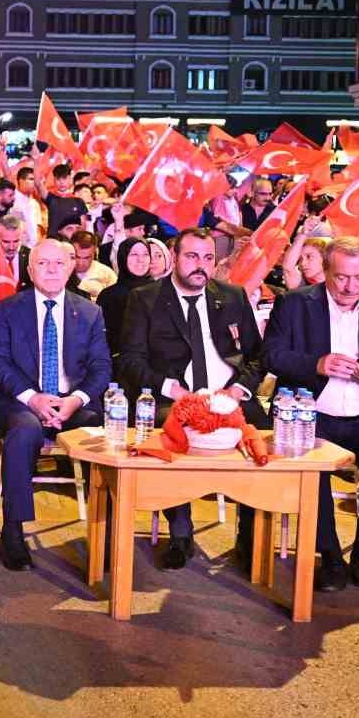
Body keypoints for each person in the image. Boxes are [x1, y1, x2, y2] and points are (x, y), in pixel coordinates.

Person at [264, 237, 359, 592]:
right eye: (342, 277)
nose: (351, 287)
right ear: (326, 271)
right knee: (312, 473)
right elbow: (271, 355)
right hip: (310, 416)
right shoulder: (295, 304)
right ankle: (329, 557)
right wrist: (316, 364)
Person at [117, 228, 270, 568]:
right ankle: (181, 533)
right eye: (191, 257)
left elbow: (259, 357)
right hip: (175, 397)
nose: (200, 266)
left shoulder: (232, 297)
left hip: (230, 398)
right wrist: (172, 389)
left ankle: (249, 537)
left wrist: (238, 390)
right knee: (168, 428)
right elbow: (130, 361)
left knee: (265, 434)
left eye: (207, 258)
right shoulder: (146, 299)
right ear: (174, 257)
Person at [0, 239, 110, 571]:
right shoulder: (8, 309)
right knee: (25, 430)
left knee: (104, 434)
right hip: (22, 403)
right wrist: (34, 398)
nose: (52, 269)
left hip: (74, 405)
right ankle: (13, 529)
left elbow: (101, 368)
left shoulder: (90, 312)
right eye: (43, 263)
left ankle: (106, 532)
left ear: (71, 267)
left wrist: (73, 401)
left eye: (59, 263)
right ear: (30, 270)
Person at [96, 237, 153, 358]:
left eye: (145, 254)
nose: (140, 260)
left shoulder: (161, 292)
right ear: (123, 257)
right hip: (119, 365)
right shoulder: (108, 296)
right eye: (134, 254)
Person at [70, 230, 117, 299]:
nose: (81, 262)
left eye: (86, 258)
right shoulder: (62, 271)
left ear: (95, 252)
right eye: (77, 257)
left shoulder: (106, 273)